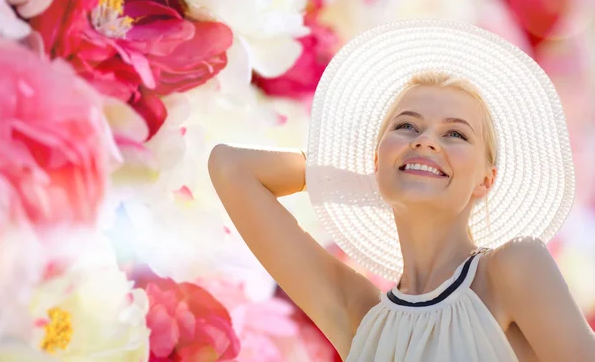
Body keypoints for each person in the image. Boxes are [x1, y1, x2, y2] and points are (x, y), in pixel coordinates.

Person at [208, 20, 595, 361]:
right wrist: (372, 173)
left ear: (486, 180)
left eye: (455, 133)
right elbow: (230, 167)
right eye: (407, 127)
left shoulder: (513, 267)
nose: (426, 140)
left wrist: (407, 168)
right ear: (376, 159)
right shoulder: (360, 318)